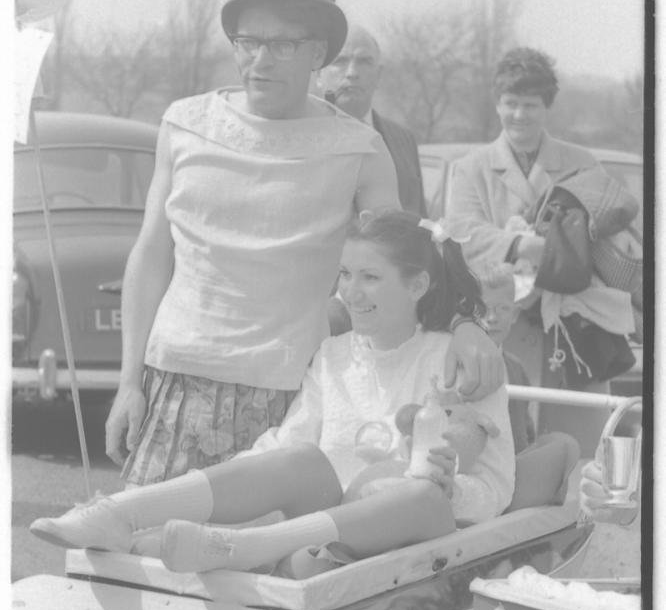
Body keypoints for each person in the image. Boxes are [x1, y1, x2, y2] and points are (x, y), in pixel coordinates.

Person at [104, 0, 504, 488]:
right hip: (173, 386)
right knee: (148, 557)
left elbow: (403, 262)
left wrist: (463, 325)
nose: (260, 60)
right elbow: (150, 254)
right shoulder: (183, 124)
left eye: (283, 45)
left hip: (290, 400)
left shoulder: (358, 149)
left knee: (269, 565)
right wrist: (130, 382)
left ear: (318, 53)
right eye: (247, 42)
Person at [32, 210, 515, 575]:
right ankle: (119, 513)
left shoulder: (462, 358)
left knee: (421, 493)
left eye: (370, 277)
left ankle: (246, 548)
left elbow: (495, 486)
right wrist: (243, 475)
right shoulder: (335, 355)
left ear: (418, 286)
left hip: (414, 536)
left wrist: (452, 490)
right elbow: (286, 447)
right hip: (325, 525)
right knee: (300, 455)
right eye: (345, 275)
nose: (350, 292)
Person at [447, 46, 638, 456]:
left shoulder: (581, 162)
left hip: (574, 332)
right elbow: (462, 233)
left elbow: (606, 233)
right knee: (506, 449)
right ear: (497, 104)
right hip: (504, 327)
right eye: (511, 104)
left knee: (580, 451)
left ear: (546, 107)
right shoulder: (471, 167)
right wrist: (526, 244)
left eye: (530, 105)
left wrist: (560, 250)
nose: (519, 115)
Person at [477, 263, 579, 512]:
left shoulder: (516, 367)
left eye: (502, 309)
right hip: (483, 473)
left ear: (514, 314)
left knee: (561, 444)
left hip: (514, 466)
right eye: (482, 310)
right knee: (565, 447)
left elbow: (526, 429)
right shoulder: (464, 365)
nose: (492, 318)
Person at [318, 24, 427, 217]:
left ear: (379, 75)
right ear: (319, 73)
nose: (352, 72)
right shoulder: (303, 134)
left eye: (364, 61)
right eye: (340, 61)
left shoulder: (403, 139)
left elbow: (418, 218)